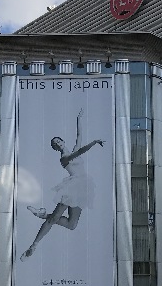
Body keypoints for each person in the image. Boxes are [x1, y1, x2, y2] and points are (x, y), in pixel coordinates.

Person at [20, 108, 105, 260]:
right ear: (55, 148)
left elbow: (79, 136)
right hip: (73, 187)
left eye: (58, 141)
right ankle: (34, 245)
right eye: (55, 144)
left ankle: (42, 213)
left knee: (72, 225)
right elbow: (79, 153)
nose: (58, 144)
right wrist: (94, 142)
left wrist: (78, 118)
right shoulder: (64, 157)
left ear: (63, 141)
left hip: (83, 188)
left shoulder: (71, 149)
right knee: (54, 219)